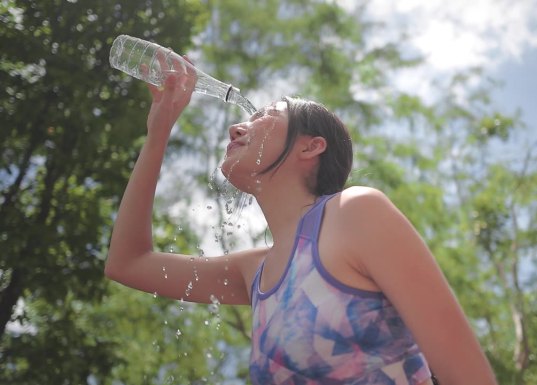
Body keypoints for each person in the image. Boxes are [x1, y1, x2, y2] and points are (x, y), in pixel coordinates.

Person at [105, 56, 498, 385]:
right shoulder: (254, 272)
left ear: (311, 146)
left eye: (265, 116)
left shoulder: (356, 213)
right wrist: (158, 131)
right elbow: (127, 263)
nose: (236, 126)